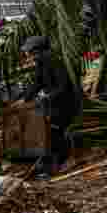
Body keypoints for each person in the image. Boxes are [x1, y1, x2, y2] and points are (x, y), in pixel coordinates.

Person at [20, 35, 82, 174]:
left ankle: (61, 161)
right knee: (48, 130)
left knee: (55, 130)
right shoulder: (41, 63)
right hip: (52, 103)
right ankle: (50, 161)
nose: (30, 56)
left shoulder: (56, 61)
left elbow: (63, 87)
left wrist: (47, 97)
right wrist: (25, 99)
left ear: (39, 51)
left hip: (67, 103)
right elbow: (37, 83)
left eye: (31, 53)